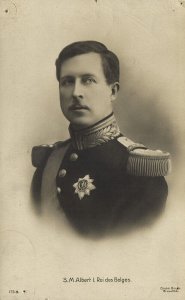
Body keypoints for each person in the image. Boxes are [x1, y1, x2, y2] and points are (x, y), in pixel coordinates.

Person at [31, 41, 171, 235]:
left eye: (88, 80)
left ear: (112, 91)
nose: (76, 92)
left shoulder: (139, 171)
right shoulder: (49, 162)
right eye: (67, 81)